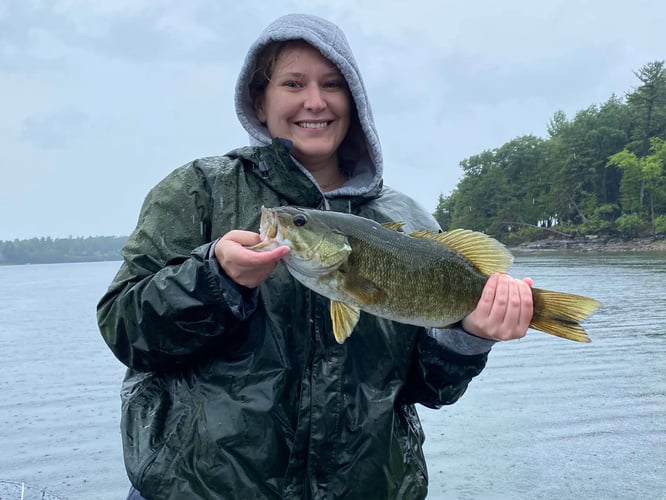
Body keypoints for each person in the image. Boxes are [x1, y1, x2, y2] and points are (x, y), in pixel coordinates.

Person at [97, 13, 533, 500]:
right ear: (258, 100)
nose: (315, 101)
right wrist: (214, 279)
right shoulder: (198, 191)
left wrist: (467, 340)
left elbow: (426, 391)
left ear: (355, 101)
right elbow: (124, 328)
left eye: (333, 84)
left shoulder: (408, 219)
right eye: (292, 83)